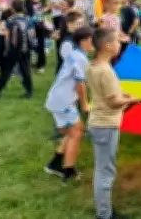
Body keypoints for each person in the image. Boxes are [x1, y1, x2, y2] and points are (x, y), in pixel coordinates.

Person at [87, 27, 140, 219]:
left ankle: (105, 211)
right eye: (118, 41)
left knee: (102, 168)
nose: (120, 44)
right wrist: (130, 100)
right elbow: (112, 102)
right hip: (105, 125)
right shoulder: (106, 71)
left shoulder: (93, 65)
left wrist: (121, 96)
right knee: (105, 171)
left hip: (99, 122)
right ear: (108, 46)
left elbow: (105, 95)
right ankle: (104, 215)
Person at [44, 26, 94, 182]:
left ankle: (55, 163)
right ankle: (69, 171)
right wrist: (85, 104)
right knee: (77, 131)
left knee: (71, 132)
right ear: (85, 41)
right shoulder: (80, 58)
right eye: (93, 40)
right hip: (64, 101)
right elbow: (80, 84)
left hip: (57, 98)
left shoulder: (76, 54)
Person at [0, 0, 34, 100]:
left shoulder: (11, 20)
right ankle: (29, 92)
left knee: (6, 70)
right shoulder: (29, 19)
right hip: (26, 48)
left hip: (13, 49)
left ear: (13, 8)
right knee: (25, 70)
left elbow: (5, 31)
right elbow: (31, 34)